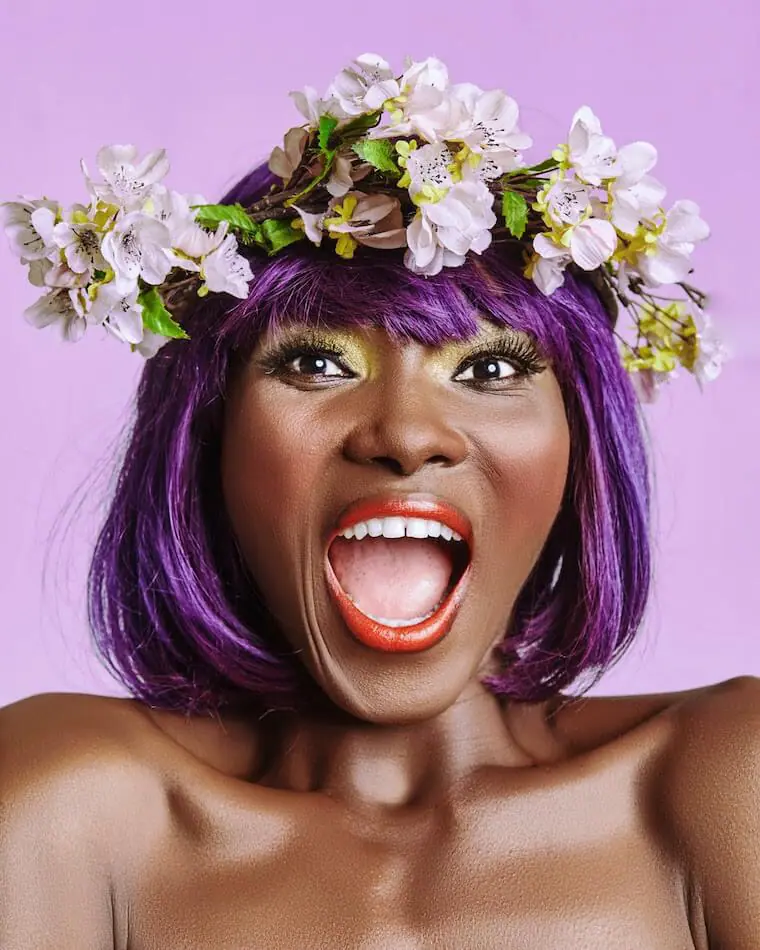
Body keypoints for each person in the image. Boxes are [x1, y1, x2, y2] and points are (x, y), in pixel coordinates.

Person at [1, 53, 758, 949]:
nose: (404, 433)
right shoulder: (67, 808)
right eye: (318, 364)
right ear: (209, 436)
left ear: (581, 449)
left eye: (490, 368)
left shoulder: (723, 785)